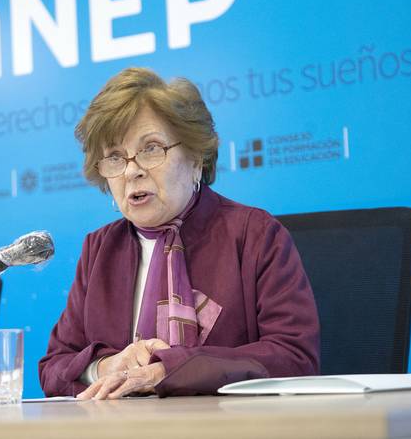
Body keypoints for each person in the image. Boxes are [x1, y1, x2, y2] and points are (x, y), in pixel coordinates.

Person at [39, 68, 320, 399]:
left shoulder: (255, 235)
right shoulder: (100, 249)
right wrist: (105, 367)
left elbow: (294, 358)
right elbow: (55, 367)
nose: (132, 170)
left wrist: (169, 369)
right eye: (115, 157)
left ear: (196, 156)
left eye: (151, 148)